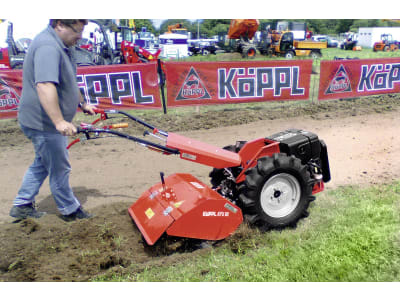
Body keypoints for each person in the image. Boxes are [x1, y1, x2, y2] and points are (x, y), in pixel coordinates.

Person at [10, 19, 96, 222]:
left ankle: (22, 204)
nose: (80, 36)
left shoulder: (63, 46)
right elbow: (45, 85)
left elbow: (69, 81)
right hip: (44, 123)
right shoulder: (48, 47)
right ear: (60, 24)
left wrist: (82, 104)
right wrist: (59, 122)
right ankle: (70, 211)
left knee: (42, 162)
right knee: (59, 166)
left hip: (43, 121)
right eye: (78, 30)